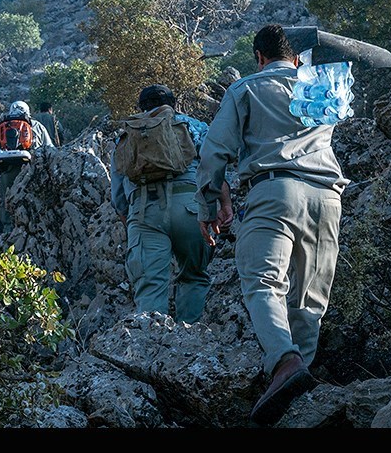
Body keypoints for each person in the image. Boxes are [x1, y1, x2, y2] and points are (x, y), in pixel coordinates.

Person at [195, 24, 350, 426]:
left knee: (263, 283)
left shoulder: (245, 88)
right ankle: (299, 396)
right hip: (328, 198)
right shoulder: (324, 89)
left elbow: (215, 152)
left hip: (275, 191)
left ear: (259, 57)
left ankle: (284, 362)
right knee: (311, 300)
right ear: (297, 57)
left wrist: (211, 203)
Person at [111, 84, 233, 324]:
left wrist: (133, 222)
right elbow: (213, 167)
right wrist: (224, 204)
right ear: (173, 104)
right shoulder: (192, 125)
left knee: (150, 285)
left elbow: (118, 197)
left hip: (144, 210)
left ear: (141, 108)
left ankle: (149, 346)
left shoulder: (127, 134)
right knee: (194, 276)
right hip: (189, 207)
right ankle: (187, 339)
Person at [0, 101, 54, 232]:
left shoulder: (3, 125)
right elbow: (50, 149)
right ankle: (33, 230)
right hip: (31, 168)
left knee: (6, 200)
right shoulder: (37, 126)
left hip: (7, 170)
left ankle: (8, 231)